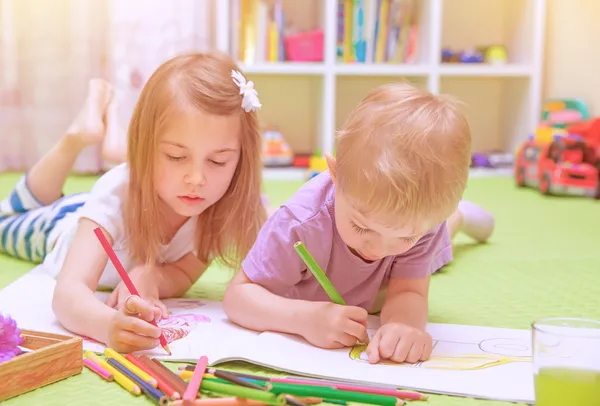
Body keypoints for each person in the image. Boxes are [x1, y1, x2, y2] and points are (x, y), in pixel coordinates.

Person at [0, 51, 266, 353]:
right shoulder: (115, 192)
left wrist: (151, 274)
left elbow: (185, 273)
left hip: (109, 200)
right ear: (144, 147)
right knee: (6, 216)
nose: (197, 178)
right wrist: (106, 325)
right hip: (60, 227)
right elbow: (68, 293)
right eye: (176, 157)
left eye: (218, 161)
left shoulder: (219, 206)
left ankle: (106, 119)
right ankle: (74, 138)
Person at [223, 82, 495, 365]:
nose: (378, 248)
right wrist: (303, 319)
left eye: (406, 237)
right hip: (319, 265)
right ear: (335, 174)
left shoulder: (422, 223)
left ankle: (454, 217)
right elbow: (237, 298)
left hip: (382, 286)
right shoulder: (299, 223)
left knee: (435, 250)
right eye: (363, 227)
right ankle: (455, 217)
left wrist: (404, 326)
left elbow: (408, 291)